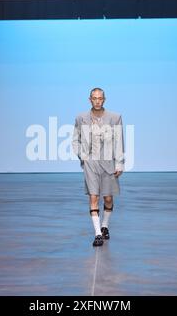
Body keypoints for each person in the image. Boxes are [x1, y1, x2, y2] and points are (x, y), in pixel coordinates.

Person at [72, 88, 125, 247]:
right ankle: (97, 235)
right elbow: (76, 139)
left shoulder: (115, 118)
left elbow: (119, 141)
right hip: (91, 163)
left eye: (100, 98)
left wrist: (120, 163)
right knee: (93, 196)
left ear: (104, 99)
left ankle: (105, 226)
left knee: (108, 198)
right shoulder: (81, 118)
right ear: (90, 99)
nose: (97, 101)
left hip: (109, 162)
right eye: (94, 98)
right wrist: (83, 155)